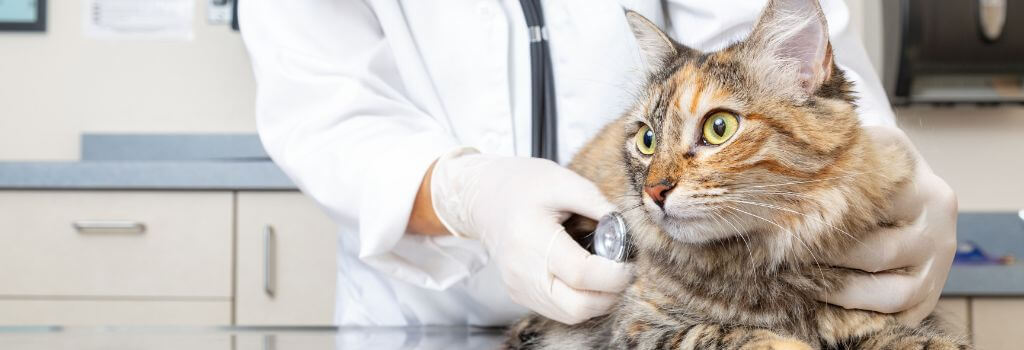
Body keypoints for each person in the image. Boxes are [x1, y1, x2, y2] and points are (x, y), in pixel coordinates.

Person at [239, 0, 958, 327]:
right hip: (425, 316)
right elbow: (326, 108)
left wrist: (872, 172)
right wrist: (468, 195)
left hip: (694, 287)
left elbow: (769, 41)